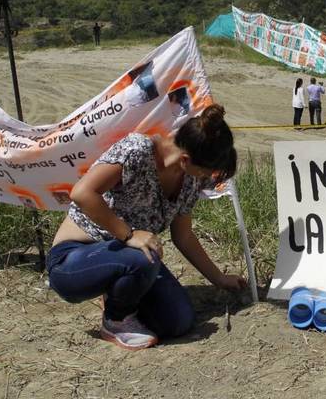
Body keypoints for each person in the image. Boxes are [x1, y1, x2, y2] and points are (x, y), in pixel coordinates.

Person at [46, 104, 246, 350]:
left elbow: (183, 235)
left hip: (130, 258)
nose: (210, 179)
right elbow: (82, 193)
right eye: (208, 171)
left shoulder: (191, 180)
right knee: (146, 257)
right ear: (185, 159)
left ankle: (118, 290)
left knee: (178, 322)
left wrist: (219, 278)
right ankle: (116, 319)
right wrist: (128, 234)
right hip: (73, 260)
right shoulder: (137, 151)